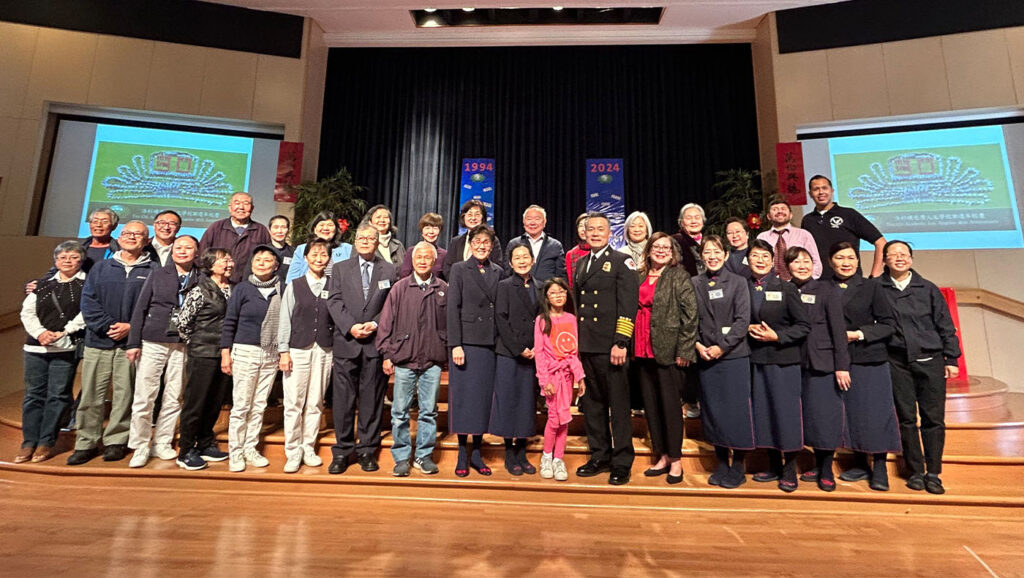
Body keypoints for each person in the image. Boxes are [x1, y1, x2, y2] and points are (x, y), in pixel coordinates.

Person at [877, 240, 961, 495]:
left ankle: (933, 472)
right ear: (885, 260)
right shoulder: (876, 289)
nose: (899, 258)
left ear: (911, 259)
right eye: (893, 255)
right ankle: (914, 471)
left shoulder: (928, 289)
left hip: (930, 360)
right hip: (896, 361)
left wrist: (951, 358)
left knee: (933, 419)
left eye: (904, 254)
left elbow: (945, 325)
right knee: (906, 419)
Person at [67, 220, 155, 465]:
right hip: (98, 341)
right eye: (127, 233)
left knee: (125, 394)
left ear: (146, 241)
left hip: (132, 344)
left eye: (138, 234)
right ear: (120, 237)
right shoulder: (102, 268)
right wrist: (107, 326)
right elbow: (88, 301)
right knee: (91, 396)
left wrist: (131, 328)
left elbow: (154, 307)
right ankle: (86, 442)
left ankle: (116, 440)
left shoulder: (153, 270)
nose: (131, 237)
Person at [326, 225, 398, 474]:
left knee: (371, 402)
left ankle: (368, 450)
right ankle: (343, 451)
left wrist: (376, 323)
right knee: (343, 402)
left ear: (378, 242)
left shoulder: (389, 269)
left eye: (370, 238)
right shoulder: (339, 268)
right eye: (361, 238)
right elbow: (333, 300)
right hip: (347, 343)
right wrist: (351, 327)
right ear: (354, 241)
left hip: (374, 345)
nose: (365, 241)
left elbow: (391, 304)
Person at [829, 241, 901, 491]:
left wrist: (858, 334)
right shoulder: (824, 287)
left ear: (858, 262)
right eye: (840, 257)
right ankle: (860, 462)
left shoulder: (871, 286)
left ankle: (879, 466)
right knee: (851, 413)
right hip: (836, 360)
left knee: (875, 413)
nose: (845, 262)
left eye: (850, 257)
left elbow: (888, 324)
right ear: (830, 262)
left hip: (868, 357)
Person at [573, 212, 638, 485]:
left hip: (612, 346)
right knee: (593, 404)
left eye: (601, 229)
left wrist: (621, 341)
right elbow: (579, 306)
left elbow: (628, 304)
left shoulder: (622, 261)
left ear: (610, 233)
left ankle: (622, 461)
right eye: (591, 230)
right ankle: (599, 455)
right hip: (587, 345)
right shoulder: (580, 264)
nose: (596, 233)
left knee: (619, 406)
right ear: (584, 234)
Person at [124, 235, 199, 468]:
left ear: (197, 252)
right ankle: (140, 445)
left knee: (174, 395)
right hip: (153, 339)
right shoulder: (157, 273)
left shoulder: (202, 277)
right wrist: (133, 342)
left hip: (183, 342)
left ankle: (163, 442)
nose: (182, 251)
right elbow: (141, 308)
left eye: (188, 248)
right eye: (179, 248)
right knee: (145, 395)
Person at [377, 241, 448, 477]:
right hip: (404, 359)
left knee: (429, 411)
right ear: (413, 260)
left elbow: (449, 324)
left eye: (428, 257)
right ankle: (401, 457)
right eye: (419, 257)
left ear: (434, 261)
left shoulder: (443, 288)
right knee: (399, 412)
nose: (423, 260)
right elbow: (386, 322)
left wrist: (444, 349)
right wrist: (388, 353)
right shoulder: (399, 288)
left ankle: (424, 455)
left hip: (432, 360)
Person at [744, 240, 811, 492]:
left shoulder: (786, 288)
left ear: (773, 261)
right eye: (754, 256)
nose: (760, 260)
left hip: (783, 360)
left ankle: (789, 468)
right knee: (763, 414)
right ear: (748, 260)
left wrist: (778, 336)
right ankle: (772, 464)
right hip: (755, 360)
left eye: (765, 256)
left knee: (786, 415)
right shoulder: (743, 287)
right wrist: (746, 327)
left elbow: (803, 326)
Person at [633, 233, 698, 485]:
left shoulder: (679, 276)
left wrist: (685, 350)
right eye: (656, 247)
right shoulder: (639, 276)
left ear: (672, 253)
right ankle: (661, 456)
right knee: (651, 405)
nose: (661, 251)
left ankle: (676, 459)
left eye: (666, 248)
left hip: (669, 350)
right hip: (641, 347)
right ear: (648, 251)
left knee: (671, 407)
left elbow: (690, 316)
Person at [15, 241, 87, 464]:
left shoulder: (87, 284)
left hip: (65, 348)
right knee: (34, 395)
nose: (68, 260)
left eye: (73, 257)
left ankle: (47, 441)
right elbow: (28, 312)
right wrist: (40, 333)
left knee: (58, 396)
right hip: (36, 347)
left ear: (81, 260)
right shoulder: (42, 284)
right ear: (55, 261)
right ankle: (28, 442)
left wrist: (64, 332)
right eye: (63, 257)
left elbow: (87, 312)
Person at [786, 246, 850, 492]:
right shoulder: (784, 289)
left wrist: (841, 366)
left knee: (824, 417)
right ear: (787, 266)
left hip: (822, 363)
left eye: (806, 261)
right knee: (796, 417)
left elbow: (838, 330)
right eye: (796, 262)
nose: (802, 266)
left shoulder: (825, 289)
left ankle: (825, 468)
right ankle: (794, 465)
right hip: (791, 362)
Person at [692, 235, 753, 489]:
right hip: (705, 356)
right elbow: (689, 318)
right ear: (702, 256)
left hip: (734, 356)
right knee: (713, 411)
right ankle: (720, 462)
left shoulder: (739, 282)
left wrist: (721, 347)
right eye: (708, 252)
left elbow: (743, 320)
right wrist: (697, 345)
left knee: (737, 412)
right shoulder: (694, 282)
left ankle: (738, 464)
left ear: (726, 255)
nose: (713, 256)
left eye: (717, 251)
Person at [447, 224, 503, 476]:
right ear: (470, 244)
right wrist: (455, 344)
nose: (482, 246)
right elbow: (452, 308)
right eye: (477, 241)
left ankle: (477, 453)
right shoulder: (459, 269)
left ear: (492, 247)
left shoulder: (499, 271)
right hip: (466, 343)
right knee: (464, 399)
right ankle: (461, 451)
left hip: (489, 344)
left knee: (482, 400)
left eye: (486, 243)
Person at [220, 245, 282, 472]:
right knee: (242, 405)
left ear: (276, 265)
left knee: (258, 405)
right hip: (245, 350)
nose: (262, 262)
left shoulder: (281, 288)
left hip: (271, 352)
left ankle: (250, 448)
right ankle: (235, 452)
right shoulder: (243, 289)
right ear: (252, 264)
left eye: (268, 259)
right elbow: (230, 321)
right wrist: (225, 352)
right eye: (258, 259)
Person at [277, 239, 334, 473]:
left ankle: (308, 447)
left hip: (325, 350)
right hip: (297, 349)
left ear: (329, 259)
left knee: (315, 402)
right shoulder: (295, 284)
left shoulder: (334, 284)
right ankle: (292, 451)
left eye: (323, 255)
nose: (319, 258)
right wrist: (283, 351)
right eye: (314, 254)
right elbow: (285, 318)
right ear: (306, 257)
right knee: (293, 402)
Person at [175, 248, 234, 470]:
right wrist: (197, 342)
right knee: (195, 402)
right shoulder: (199, 290)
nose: (228, 263)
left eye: (229, 259)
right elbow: (183, 323)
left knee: (215, 401)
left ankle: (205, 443)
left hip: (225, 354)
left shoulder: (234, 288)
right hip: (202, 353)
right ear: (210, 265)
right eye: (222, 260)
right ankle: (186, 449)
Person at [491, 243, 540, 475]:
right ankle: (509, 452)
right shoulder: (504, 286)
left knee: (526, 403)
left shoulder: (541, 287)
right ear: (510, 263)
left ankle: (522, 450)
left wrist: (536, 347)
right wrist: (519, 347)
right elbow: (501, 319)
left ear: (532, 260)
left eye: (525, 257)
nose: (521, 261)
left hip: (534, 353)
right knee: (508, 401)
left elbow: (543, 321)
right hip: (510, 352)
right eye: (517, 258)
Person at [534, 278, 585, 482]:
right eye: (553, 292)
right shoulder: (541, 320)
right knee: (554, 418)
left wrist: (580, 377)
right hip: (552, 376)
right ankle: (547, 456)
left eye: (562, 292)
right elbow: (539, 352)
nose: (558, 295)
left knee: (564, 418)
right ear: (546, 297)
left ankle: (559, 458)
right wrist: (544, 379)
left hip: (568, 374)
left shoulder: (572, 319)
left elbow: (576, 350)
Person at [801, 175, 886, 278]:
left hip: (850, 282)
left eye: (824, 188)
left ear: (832, 191)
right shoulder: (807, 220)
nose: (821, 192)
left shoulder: (849, 214)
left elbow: (880, 242)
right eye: (816, 189)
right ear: (810, 194)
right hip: (818, 283)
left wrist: (875, 276)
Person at [198, 191, 272, 284]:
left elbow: (268, 258)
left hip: (249, 284)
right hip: (218, 283)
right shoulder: (216, 227)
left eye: (246, 203)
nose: (241, 207)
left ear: (252, 208)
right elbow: (203, 254)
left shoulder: (261, 230)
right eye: (237, 203)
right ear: (230, 207)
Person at [756, 200, 822, 280]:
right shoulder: (762, 237)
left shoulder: (804, 234)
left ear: (791, 215)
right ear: (769, 216)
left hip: (799, 283)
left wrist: (808, 282)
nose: (780, 211)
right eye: (775, 209)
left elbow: (816, 262)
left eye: (783, 209)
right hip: (770, 284)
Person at [442, 200, 503, 279]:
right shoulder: (456, 241)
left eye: (477, 215)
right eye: (469, 214)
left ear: (483, 217)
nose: (473, 218)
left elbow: (497, 266)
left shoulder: (493, 240)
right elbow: (447, 268)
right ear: (464, 217)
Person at [504, 204, 566, 282]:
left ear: (544, 222)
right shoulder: (513, 244)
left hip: (546, 292)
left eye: (537, 219)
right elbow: (507, 273)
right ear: (523, 222)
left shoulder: (555, 245)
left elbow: (561, 276)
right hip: (519, 291)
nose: (532, 223)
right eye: (529, 219)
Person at [286, 211, 353, 282]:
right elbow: (291, 279)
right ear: (314, 229)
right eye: (321, 225)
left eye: (330, 225)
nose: (326, 228)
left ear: (336, 229)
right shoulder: (301, 249)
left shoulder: (348, 249)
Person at [399, 212, 447, 280]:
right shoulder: (412, 251)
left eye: (435, 228)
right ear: (422, 231)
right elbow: (404, 276)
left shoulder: (444, 254)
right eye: (427, 228)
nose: (431, 232)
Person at [670, 203, 706, 277]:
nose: (693, 221)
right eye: (689, 218)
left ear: (703, 221)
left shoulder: (708, 241)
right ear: (682, 222)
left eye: (697, 217)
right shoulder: (675, 241)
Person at [565, 212, 590, 289]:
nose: (583, 229)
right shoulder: (571, 254)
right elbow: (570, 283)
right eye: (580, 226)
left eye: (586, 226)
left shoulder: (600, 250)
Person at [268, 214, 295, 285]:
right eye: (276, 227)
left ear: (288, 230)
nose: (279, 231)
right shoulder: (261, 251)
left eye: (283, 227)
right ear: (269, 230)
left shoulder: (294, 253)